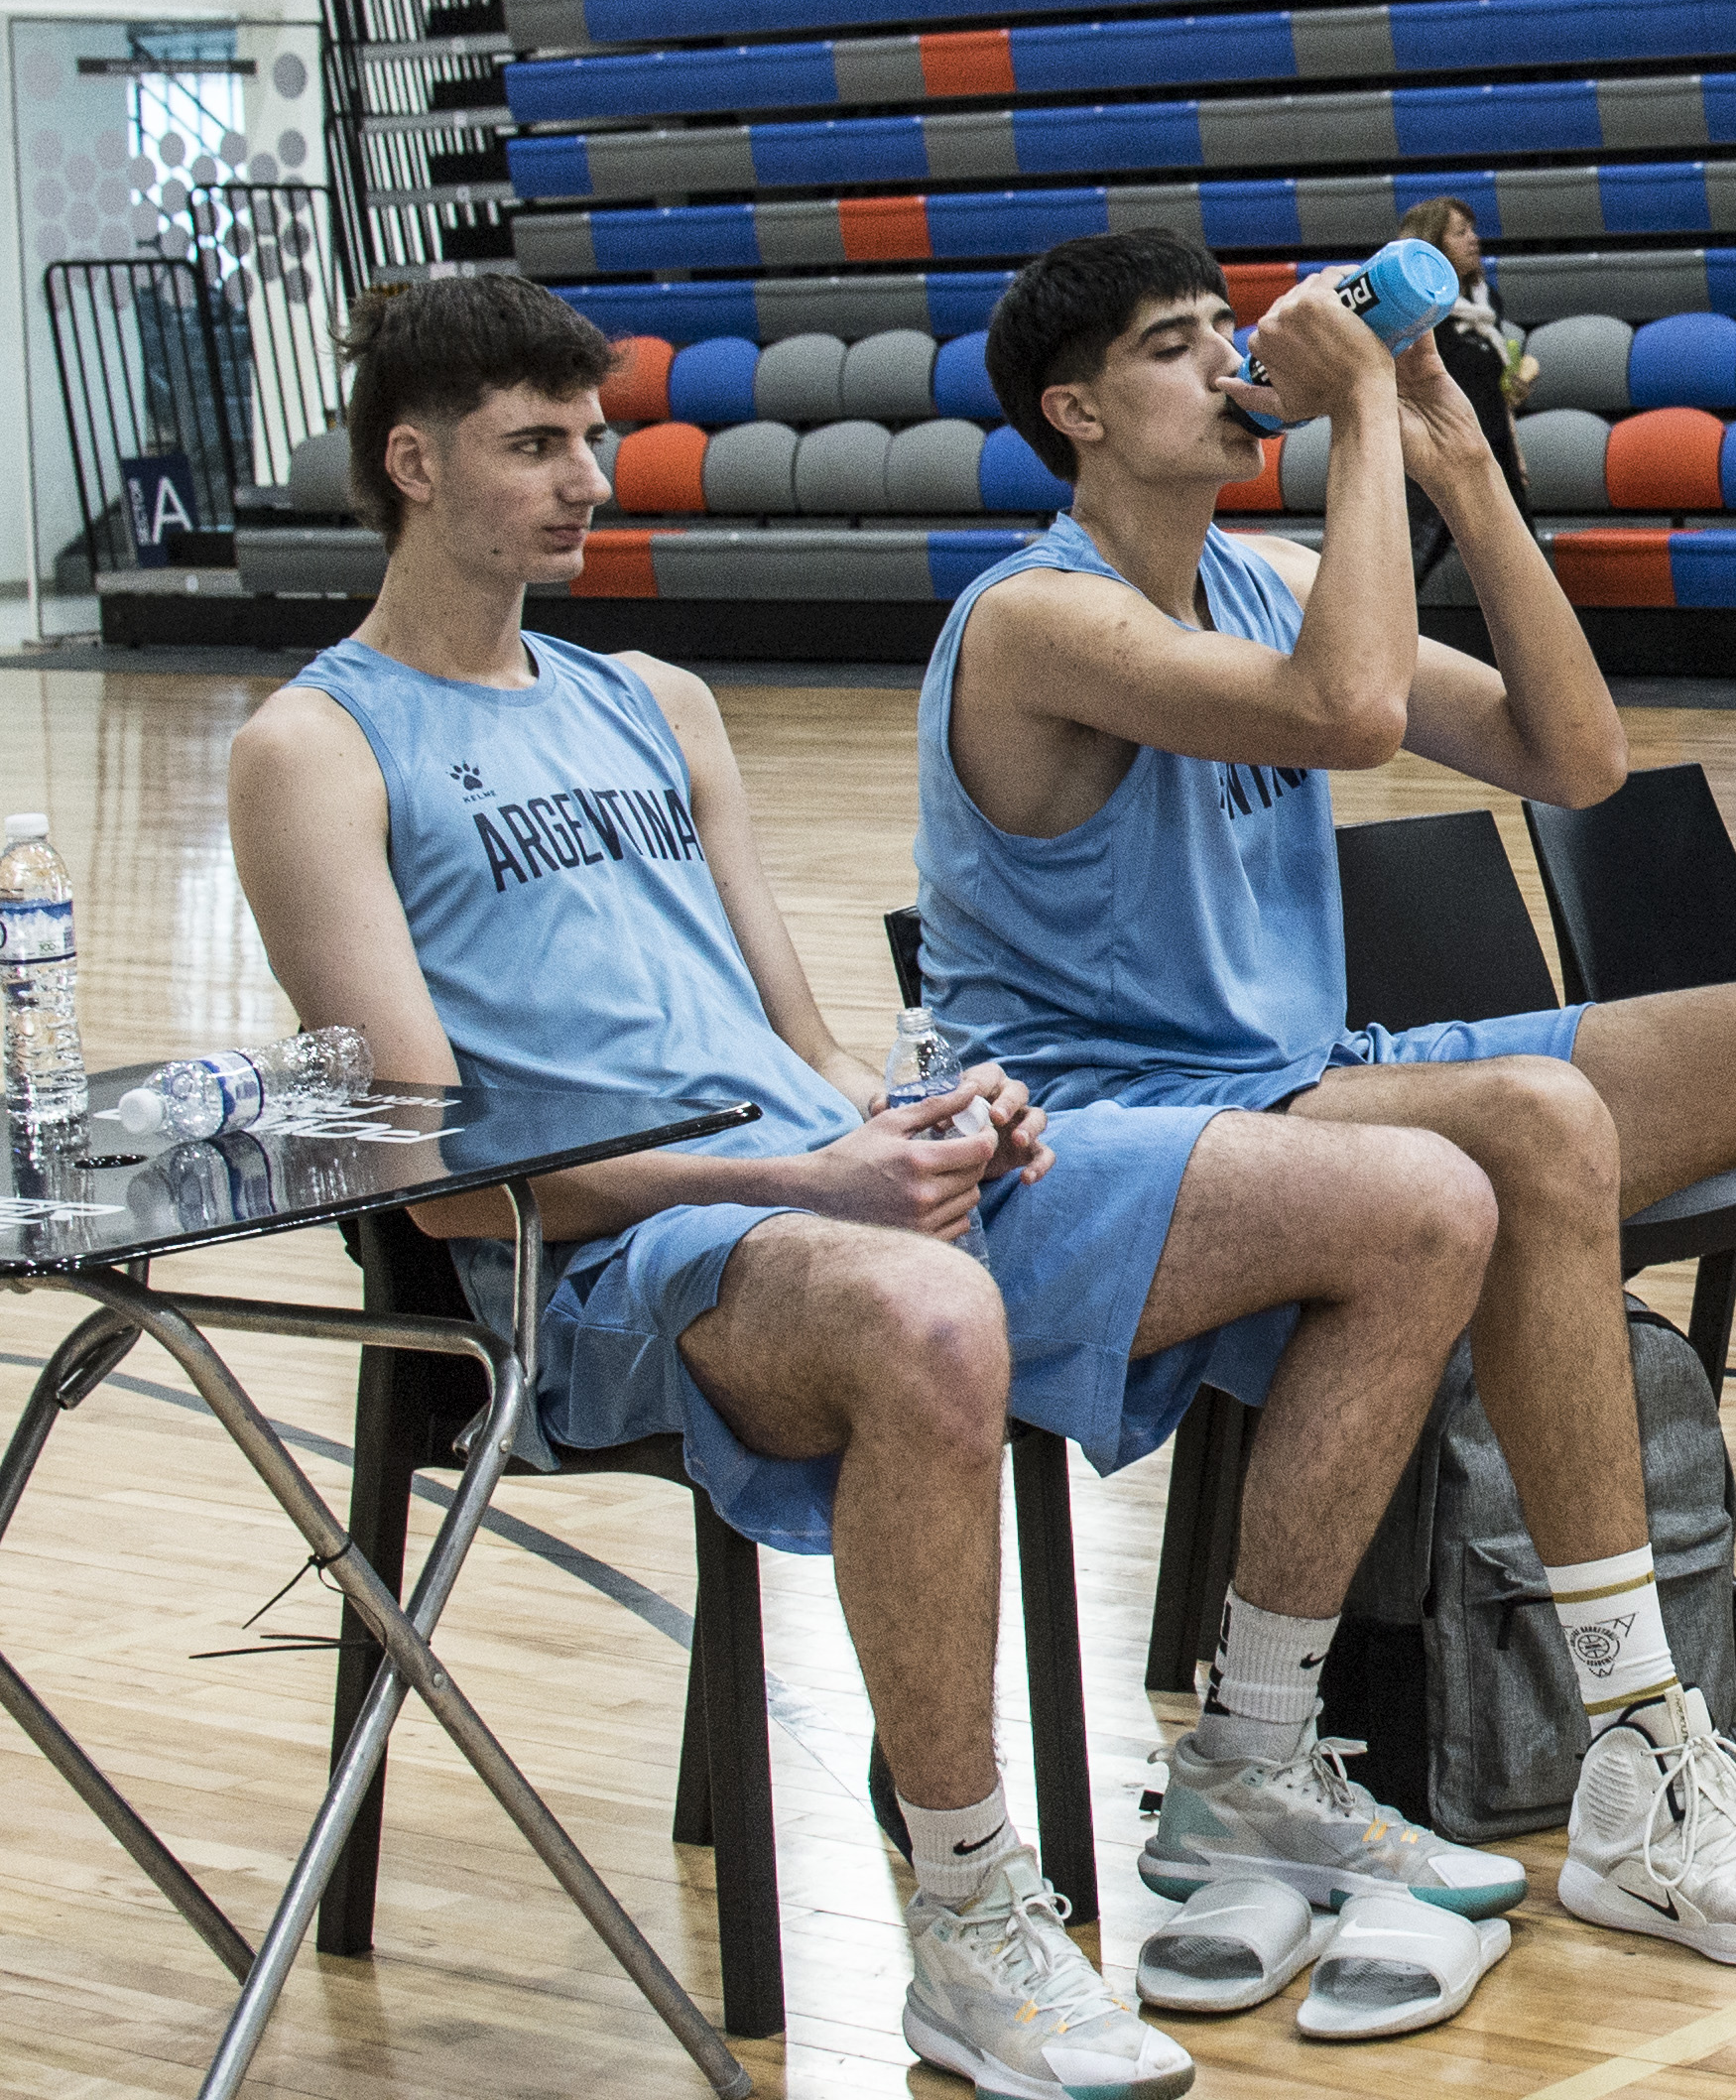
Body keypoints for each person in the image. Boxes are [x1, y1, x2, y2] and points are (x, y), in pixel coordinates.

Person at [229, 274, 1509, 2100]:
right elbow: (440, 1181)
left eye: (593, 436)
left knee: (1415, 1200)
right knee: (927, 1305)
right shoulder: (315, 744)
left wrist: (937, 1104)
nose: (585, 476)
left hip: (820, 1182)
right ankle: (975, 1916)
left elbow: (815, 1045)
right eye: (534, 445)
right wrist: (807, 1177)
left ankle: (1257, 1752)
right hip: (616, 1255)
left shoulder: (656, 697)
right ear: (412, 462)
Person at [923, 230, 1736, 1972]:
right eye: (1178, 349)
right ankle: (1639, 1744)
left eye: (1219, 335)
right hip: (1089, 1132)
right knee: (1535, 1123)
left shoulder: (1263, 571)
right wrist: (1365, 429)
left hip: (1297, 1089)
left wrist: (1451, 444)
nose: (1231, 366)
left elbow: (1577, 753)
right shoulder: (1036, 612)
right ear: (1075, 410)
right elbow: (1351, 703)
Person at [1393, 195, 1529, 579]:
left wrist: (1512, 389)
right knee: (1408, 571)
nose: (1474, 239)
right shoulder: (1417, 314)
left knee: (1522, 570)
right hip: (1439, 456)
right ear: (1433, 246)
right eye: (1460, 232)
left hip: (1493, 453)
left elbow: (1490, 387)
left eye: (1473, 230)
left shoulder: (1488, 304)